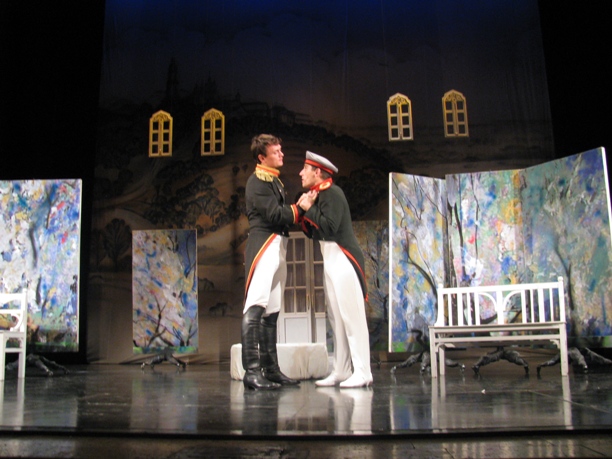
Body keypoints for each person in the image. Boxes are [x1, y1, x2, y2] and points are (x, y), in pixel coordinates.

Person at [296, 151, 373, 388]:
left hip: (343, 258)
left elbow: (330, 227)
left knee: (352, 317)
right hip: (330, 259)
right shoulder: (320, 195)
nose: (300, 173)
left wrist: (310, 208)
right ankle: (341, 369)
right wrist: (305, 210)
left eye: (305, 169)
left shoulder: (333, 193)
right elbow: (315, 233)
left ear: (317, 172)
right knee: (336, 318)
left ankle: (363, 371)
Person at [242, 134, 302, 390]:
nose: (281, 154)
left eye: (280, 150)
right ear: (261, 157)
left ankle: (271, 369)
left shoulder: (274, 181)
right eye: (276, 151)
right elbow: (275, 214)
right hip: (264, 245)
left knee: (272, 311)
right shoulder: (256, 182)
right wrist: (299, 208)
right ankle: (251, 371)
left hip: (278, 245)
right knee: (255, 307)